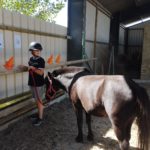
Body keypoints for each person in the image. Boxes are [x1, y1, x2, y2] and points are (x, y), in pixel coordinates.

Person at [28, 42, 45, 126]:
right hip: (32, 82)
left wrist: (33, 68)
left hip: (38, 84)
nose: (38, 51)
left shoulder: (41, 60)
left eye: (39, 50)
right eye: (36, 50)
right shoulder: (31, 59)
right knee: (36, 100)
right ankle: (39, 113)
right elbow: (30, 68)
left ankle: (40, 118)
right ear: (32, 51)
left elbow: (41, 73)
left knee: (39, 101)